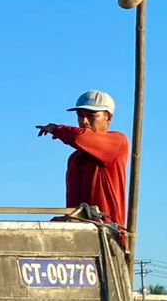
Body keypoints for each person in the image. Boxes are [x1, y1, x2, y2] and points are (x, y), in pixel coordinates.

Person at [36, 90, 129, 231]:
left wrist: (57, 129)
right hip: (81, 234)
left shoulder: (117, 142)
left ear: (108, 117)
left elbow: (80, 137)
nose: (84, 121)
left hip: (108, 232)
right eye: (80, 115)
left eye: (91, 115)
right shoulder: (75, 159)